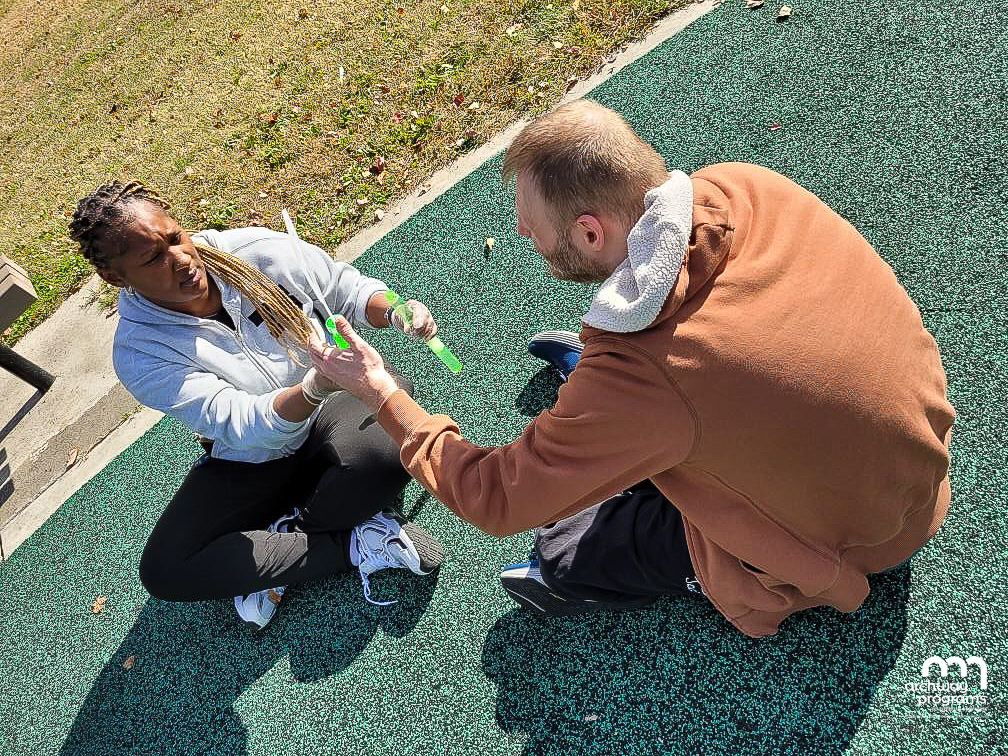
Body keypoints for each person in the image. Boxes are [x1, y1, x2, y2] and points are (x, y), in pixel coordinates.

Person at [307, 99, 956, 639]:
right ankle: (606, 413)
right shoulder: (744, 186)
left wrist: (378, 390)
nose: (523, 235)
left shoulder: (643, 374)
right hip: (919, 464)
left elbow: (496, 496)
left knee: (565, 545)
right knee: (650, 420)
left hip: (864, 542)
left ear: (590, 233)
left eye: (532, 226)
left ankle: (668, 576)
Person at [68, 181, 444, 629]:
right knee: (166, 569)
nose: (181, 259)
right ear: (115, 278)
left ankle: (281, 546)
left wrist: (394, 309)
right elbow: (239, 422)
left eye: (175, 237)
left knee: (391, 444)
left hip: (338, 404)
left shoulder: (256, 250)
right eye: (153, 258)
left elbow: (346, 289)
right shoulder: (138, 352)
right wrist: (313, 386)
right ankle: (353, 541)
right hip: (254, 453)